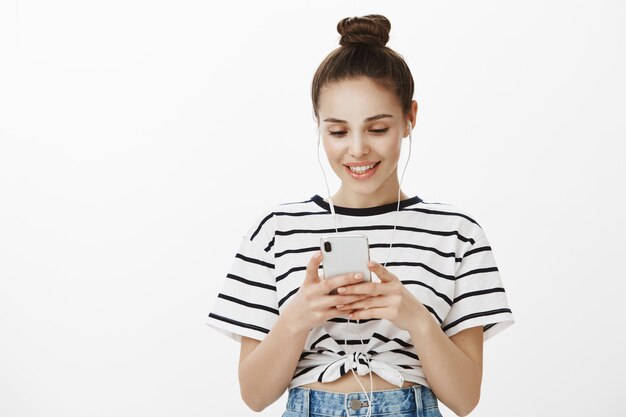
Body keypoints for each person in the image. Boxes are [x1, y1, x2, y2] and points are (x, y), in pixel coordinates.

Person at [207, 14, 515, 417]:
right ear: (318, 126)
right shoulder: (276, 231)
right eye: (338, 132)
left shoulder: (456, 233)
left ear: (410, 119)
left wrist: (414, 318)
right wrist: (297, 318)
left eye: (377, 128)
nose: (357, 149)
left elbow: (464, 398)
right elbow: (254, 395)